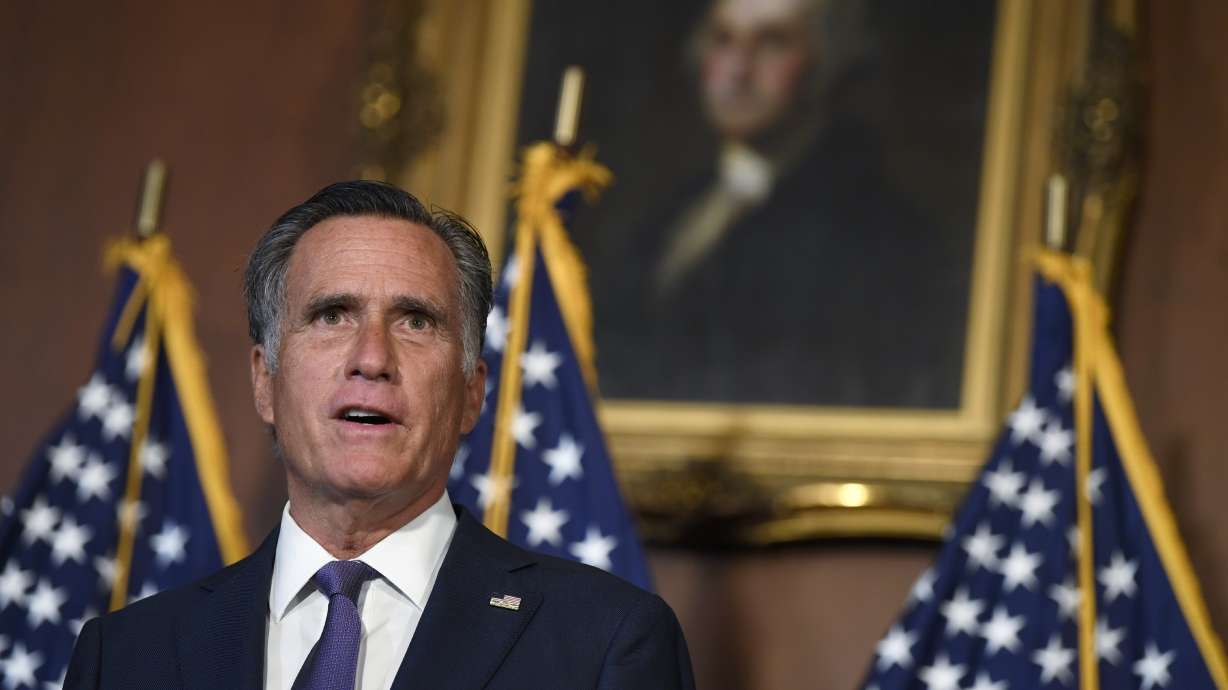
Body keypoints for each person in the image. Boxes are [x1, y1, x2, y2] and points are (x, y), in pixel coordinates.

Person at [64, 181, 695, 689]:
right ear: (265, 381)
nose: (372, 357)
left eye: (416, 321)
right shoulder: (124, 657)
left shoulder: (604, 642)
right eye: (332, 315)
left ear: (471, 391)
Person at [592, 0, 968, 408]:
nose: (738, 71)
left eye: (772, 43)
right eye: (723, 40)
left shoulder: (876, 230)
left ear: (829, 62)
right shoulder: (670, 217)